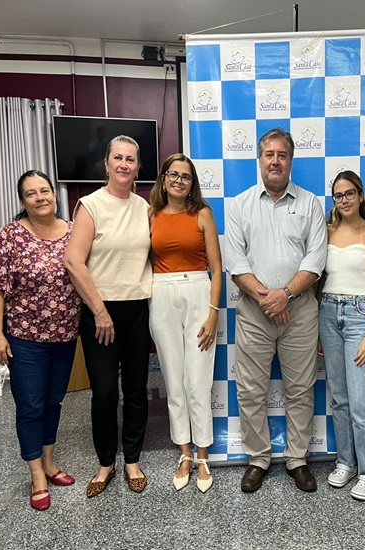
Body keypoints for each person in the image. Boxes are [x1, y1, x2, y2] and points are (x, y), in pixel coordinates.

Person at [225, 128, 327, 493]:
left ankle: (297, 459)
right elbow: (235, 262)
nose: (275, 160)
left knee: (300, 389)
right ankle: (258, 458)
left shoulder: (312, 203)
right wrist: (269, 299)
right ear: (259, 159)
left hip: (300, 314)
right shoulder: (240, 205)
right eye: (268, 154)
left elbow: (316, 258)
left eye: (282, 154)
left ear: (291, 160)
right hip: (254, 314)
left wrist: (285, 295)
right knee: (251, 391)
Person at [0, 170, 81, 511]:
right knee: (30, 405)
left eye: (45, 191)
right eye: (31, 194)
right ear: (22, 201)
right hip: (24, 338)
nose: (40, 197)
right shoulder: (10, 236)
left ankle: (50, 463)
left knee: (54, 402)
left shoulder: (73, 232)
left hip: (65, 335)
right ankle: (37, 475)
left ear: (54, 195)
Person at [64, 135, 153, 498]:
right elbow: (73, 261)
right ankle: (106, 463)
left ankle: (131, 459)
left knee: (135, 391)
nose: (124, 164)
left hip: (136, 310)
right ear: (106, 163)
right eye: (118, 157)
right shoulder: (90, 205)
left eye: (131, 159)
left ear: (137, 167)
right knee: (103, 393)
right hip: (100, 312)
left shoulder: (144, 207)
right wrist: (99, 311)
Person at [148, 154, 222, 493]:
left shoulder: (202, 214)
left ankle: (203, 454)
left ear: (193, 183)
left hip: (198, 291)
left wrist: (212, 312)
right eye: (173, 174)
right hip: (161, 293)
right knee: (173, 381)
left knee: (198, 381)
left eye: (186, 176)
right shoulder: (150, 215)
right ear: (163, 179)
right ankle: (184, 453)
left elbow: (217, 270)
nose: (179, 180)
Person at [318, 171, 365, 501]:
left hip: (361, 315)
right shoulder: (327, 232)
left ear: (360, 195)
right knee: (339, 398)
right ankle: (345, 462)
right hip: (329, 313)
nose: (343, 200)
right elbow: (319, 281)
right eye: (338, 195)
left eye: (349, 194)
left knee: (360, 402)